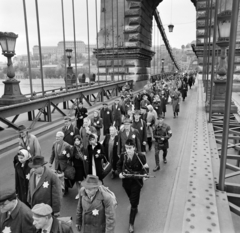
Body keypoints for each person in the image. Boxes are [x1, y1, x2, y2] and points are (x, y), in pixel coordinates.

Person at [117, 139, 149, 233]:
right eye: (127, 148)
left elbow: (145, 167)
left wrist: (145, 175)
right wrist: (119, 173)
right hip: (126, 183)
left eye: (130, 148)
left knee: (133, 203)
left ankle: (131, 224)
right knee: (131, 198)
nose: (128, 150)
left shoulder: (140, 156)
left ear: (134, 148)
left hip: (136, 183)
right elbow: (118, 165)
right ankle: (135, 206)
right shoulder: (123, 156)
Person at [72, 135, 88, 199]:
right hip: (76, 166)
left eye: (78, 140)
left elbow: (86, 156)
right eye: (75, 140)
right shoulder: (73, 148)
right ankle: (79, 193)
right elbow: (71, 157)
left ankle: (83, 192)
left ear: (80, 141)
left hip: (83, 166)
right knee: (77, 181)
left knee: (81, 181)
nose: (77, 141)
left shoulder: (83, 147)